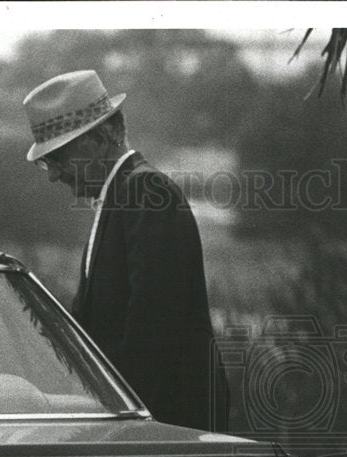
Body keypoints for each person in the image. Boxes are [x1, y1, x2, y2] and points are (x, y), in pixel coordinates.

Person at [23, 69, 229, 431]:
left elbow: (154, 331)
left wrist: (118, 425)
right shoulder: (121, 196)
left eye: (58, 158)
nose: (54, 175)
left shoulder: (145, 191)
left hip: (169, 425)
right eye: (47, 162)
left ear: (100, 138)